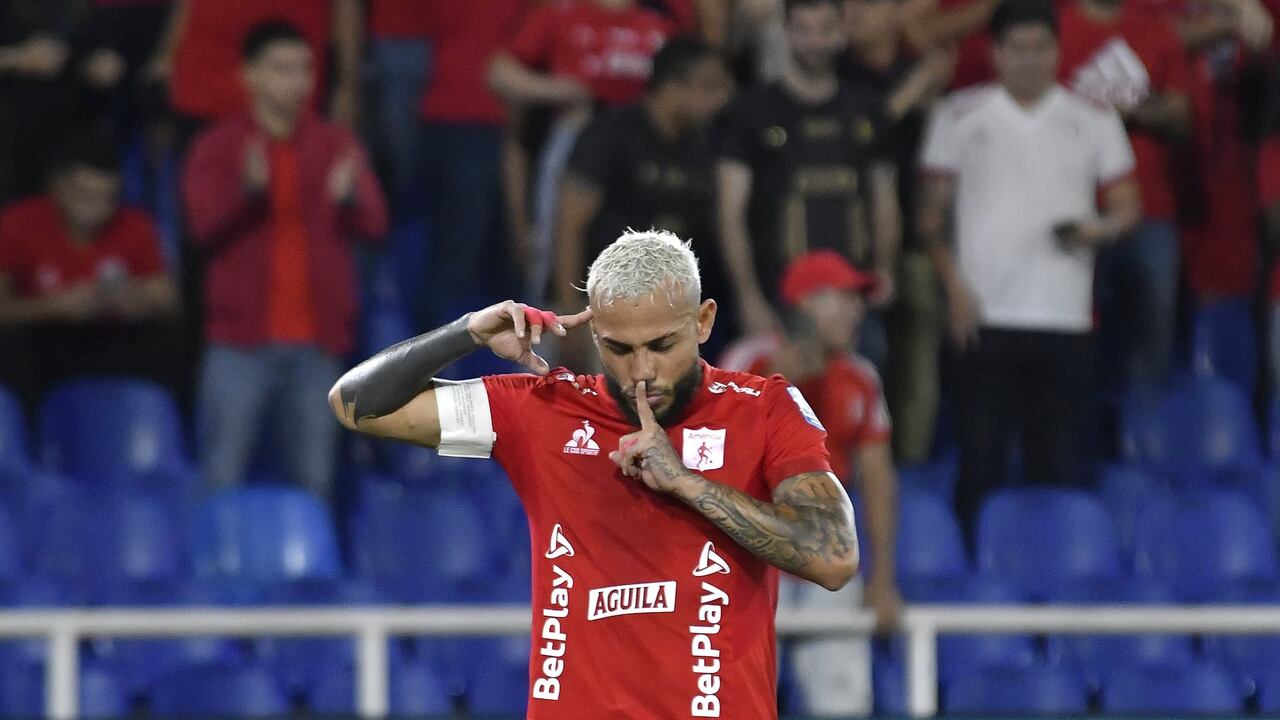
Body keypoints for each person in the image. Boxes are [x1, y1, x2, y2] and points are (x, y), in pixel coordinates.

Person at [329, 229, 858, 718]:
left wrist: (688, 484)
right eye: (620, 348)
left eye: (662, 345)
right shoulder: (542, 411)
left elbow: (834, 558)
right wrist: (466, 333)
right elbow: (357, 404)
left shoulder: (765, 409)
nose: (642, 370)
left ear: (704, 320)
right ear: (594, 330)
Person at [918, 0, 1141, 534]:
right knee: (981, 463)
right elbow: (929, 219)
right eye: (1016, 48)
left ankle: (1056, 594)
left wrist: (1101, 230)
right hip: (983, 316)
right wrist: (954, 289)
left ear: (1058, 51)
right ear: (995, 53)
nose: (1029, 59)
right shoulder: (959, 115)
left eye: (1040, 47)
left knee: (1059, 466)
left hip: (1065, 317)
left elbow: (1127, 206)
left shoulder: (1094, 118)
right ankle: (978, 589)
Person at [183, 21, 388, 500]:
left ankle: (312, 573)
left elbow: (377, 225)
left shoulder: (335, 144)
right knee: (220, 479)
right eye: (281, 69)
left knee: (315, 486)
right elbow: (201, 229)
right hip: (238, 344)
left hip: (316, 346)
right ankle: (214, 575)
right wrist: (246, 193)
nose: (296, 81)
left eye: (304, 68)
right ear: (248, 75)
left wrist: (354, 197)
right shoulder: (219, 147)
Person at [720, 250, 902, 716]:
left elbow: (878, 483)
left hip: (825, 562)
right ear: (804, 304)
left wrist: (880, 578)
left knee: (842, 704)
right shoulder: (746, 365)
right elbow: (711, 471)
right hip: (750, 563)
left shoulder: (861, 377)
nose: (857, 310)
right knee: (737, 703)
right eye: (844, 298)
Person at [717, 0, 901, 353]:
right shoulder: (750, 111)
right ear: (785, 32)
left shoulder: (867, 108)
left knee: (855, 399)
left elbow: (884, 198)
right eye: (804, 30)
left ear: (843, 29)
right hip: (781, 300)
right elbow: (730, 215)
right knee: (781, 406)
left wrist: (885, 269)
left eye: (825, 29)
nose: (815, 41)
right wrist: (748, 296)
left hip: (855, 299)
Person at [554, 36, 733, 364]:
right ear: (672, 86)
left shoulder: (704, 144)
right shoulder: (611, 133)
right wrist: (569, 316)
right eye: (709, 87)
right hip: (605, 309)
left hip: (670, 314)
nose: (722, 98)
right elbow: (569, 226)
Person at [489, 0, 674, 303]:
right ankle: (554, 325)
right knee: (559, 242)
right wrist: (561, 91)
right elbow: (500, 73)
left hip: (647, 155)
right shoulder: (563, 13)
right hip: (574, 144)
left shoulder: (659, 19)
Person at [840, 0, 955, 461]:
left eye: (866, 7)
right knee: (867, 359)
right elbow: (861, 133)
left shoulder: (918, 71)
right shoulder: (841, 74)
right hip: (854, 246)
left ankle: (911, 465)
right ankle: (853, 463)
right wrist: (918, 89)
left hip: (917, 239)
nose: (854, 16)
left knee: (918, 362)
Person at [1057, 0, 1192, 388]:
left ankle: (1145, 437)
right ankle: (1082, 435)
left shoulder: (1158, 29)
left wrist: (1125, 109)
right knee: (1076, 330)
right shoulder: (1057, 28)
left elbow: (1181, 119)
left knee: (1154, 329)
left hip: (1152, 209)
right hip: (1074, 206)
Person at [0, 137, 180, 409]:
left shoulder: (135, 224)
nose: (98, 209)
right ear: (58, 187)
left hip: (110, 339)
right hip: (43, 342)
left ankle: (144, 425)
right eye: (86, 196)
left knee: (168, 344)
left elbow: (168, 298)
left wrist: (135, 298)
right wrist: (57, 306)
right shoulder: (18, 223)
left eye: (108, 198)